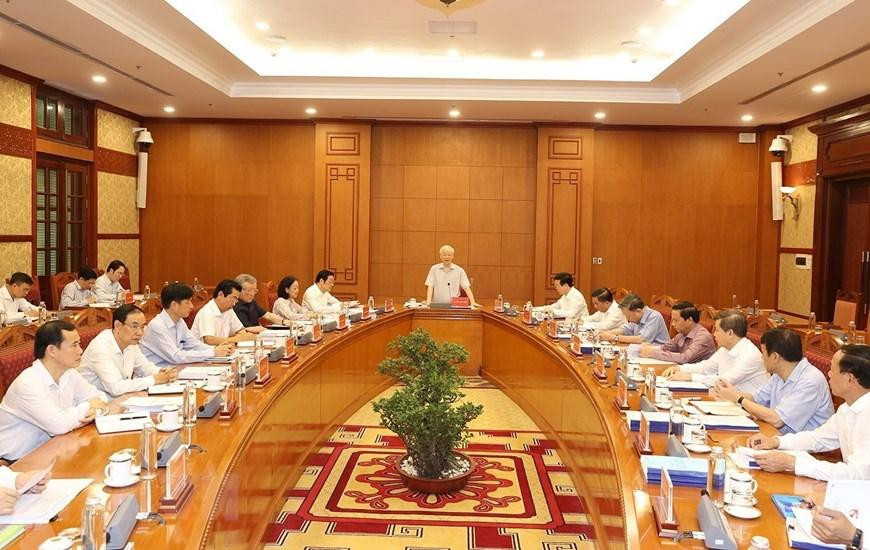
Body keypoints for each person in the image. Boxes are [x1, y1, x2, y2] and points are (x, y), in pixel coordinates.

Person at [747, 344, 870, 481]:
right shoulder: (847, 408)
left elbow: (856, 475)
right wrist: (776, 442)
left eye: (833, 370)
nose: (829, 374)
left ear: (849, 379)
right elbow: (818, 438)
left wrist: (793, 463)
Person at [0, 321, 112, 462]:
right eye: (74, 345)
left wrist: (96, 411)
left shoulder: (69, 373)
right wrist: (88, 406)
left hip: (54, 449)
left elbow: (100, 397)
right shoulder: (28, 383)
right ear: (52, 350)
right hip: (16, 462)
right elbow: (59, 425)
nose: (80, 350)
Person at [711, 328, 833, 434]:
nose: (761, 357)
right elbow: (756, 398)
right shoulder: (779, 374)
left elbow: (778, 420)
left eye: (763, 352)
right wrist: (728, 393)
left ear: (775, 357)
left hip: (807, 449)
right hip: (779, 436)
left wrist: (737, 398)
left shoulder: (810, 381)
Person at [78, 304, 174, 396]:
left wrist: (163, 372)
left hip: (119, 398)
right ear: (118, 326)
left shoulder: (130, 342)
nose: (140, 333)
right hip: (94, 403)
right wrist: (154, 379)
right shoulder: (100, 347)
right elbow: (116, 388)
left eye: (142, 327)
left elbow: (145, 368)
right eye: (134, 326)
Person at [663, 310, 769, 393]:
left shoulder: (750, 355)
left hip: (748, 409)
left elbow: (724, 381)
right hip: (727, 401)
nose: (714, 334)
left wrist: (690, 377)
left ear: (730, 333)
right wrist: (680, 368)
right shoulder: (725, 348)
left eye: (717, 330)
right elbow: (705, 367)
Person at [140, 283, 233, 366]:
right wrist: (213, 352)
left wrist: (218, 349)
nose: (192, 306)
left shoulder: (179, 321)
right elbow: (176, 356)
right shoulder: (157, 326)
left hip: (175, 368)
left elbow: (195, 345)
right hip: (158, 373)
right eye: (187, 302)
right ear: (174, 305)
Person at [640, 301, 715, 364]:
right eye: (672, 320)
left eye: (676, 320)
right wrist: (650, 348)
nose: (672, 324)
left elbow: (685, 358)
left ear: (689, 320)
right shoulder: (682, 333)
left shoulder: (703, 337)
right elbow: (666, 347)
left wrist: (653, 353)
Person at [191, 279, 256, 345]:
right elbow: (209, 340)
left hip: (222, 349)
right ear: (220, 294)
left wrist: (244, 336)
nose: (235, 302)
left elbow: (240, 330)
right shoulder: (207, 312)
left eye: (237, 299)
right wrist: (236, 339)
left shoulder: (229, 310)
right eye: (234, 298)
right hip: (204, 350)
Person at [600, 294, 669, 345]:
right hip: (643, 352)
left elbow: (642, 339)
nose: (628, 320)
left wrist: (614, 337)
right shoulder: (637, 318)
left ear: (638, 311)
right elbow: (625, 329)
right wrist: (607, 333)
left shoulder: (654, 316)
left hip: (659, 355)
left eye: (629, 317)